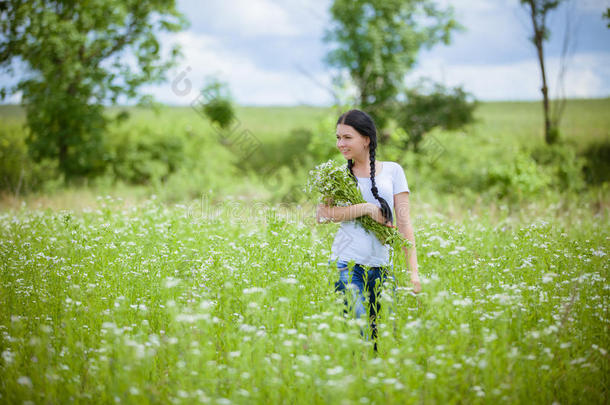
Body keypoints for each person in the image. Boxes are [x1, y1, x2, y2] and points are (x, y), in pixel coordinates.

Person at [316, 109, 421, 351]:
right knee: (361, 333)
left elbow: (404, 224)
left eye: (347, 137)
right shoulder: (338, 176)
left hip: (382, 266)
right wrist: (364, 208)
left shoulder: (394, 171)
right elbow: (322, 216)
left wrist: (413, 272)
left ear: (366, 139)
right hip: (346, 265)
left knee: (384, 338)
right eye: (338, 138)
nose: (340, 144)